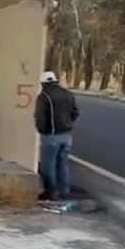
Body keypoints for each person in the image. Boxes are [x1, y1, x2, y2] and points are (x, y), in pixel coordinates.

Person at [34, 71, 79, 201]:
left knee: (48, 166)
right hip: (66, 135)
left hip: (51, 134)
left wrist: (42, 130)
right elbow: (75, 112)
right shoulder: (68, 94)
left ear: (43, 83)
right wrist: (68, 124)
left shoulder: (44, 96)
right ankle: (64, 191)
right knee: (62, 163)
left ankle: (50, 192)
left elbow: (40, 117)